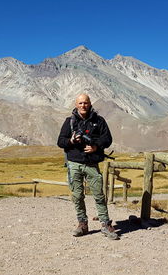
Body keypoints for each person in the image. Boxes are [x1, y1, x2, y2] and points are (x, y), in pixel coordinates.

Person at [57, 93, 119, 240]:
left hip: (92, 163)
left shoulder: (99, 121)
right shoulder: (69, 122)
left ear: (90, 104)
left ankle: (105, 224)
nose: (83, 106)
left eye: (85, 103)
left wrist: (96, 146)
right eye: (80, 103)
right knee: (77, 196)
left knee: (99, 195)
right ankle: (82, 224)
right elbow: (60, 141)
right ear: (76, 105)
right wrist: (71, 141)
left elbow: (108, 139)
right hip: (74, 164)